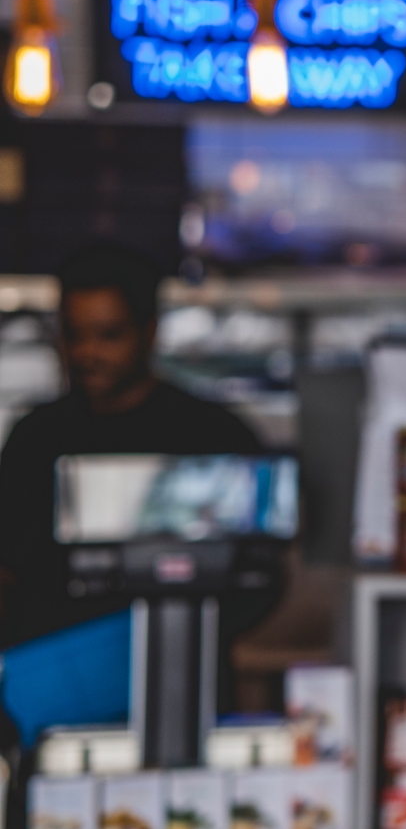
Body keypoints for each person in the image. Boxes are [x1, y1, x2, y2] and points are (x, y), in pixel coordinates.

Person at [0, 243, 262, 647]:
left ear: (150, 331)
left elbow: (261, 577)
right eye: (74, 335)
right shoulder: (34, 439)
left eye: (108, 335)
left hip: (184, 663)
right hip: (52, 680)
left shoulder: (212, 436)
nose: (88, 353)